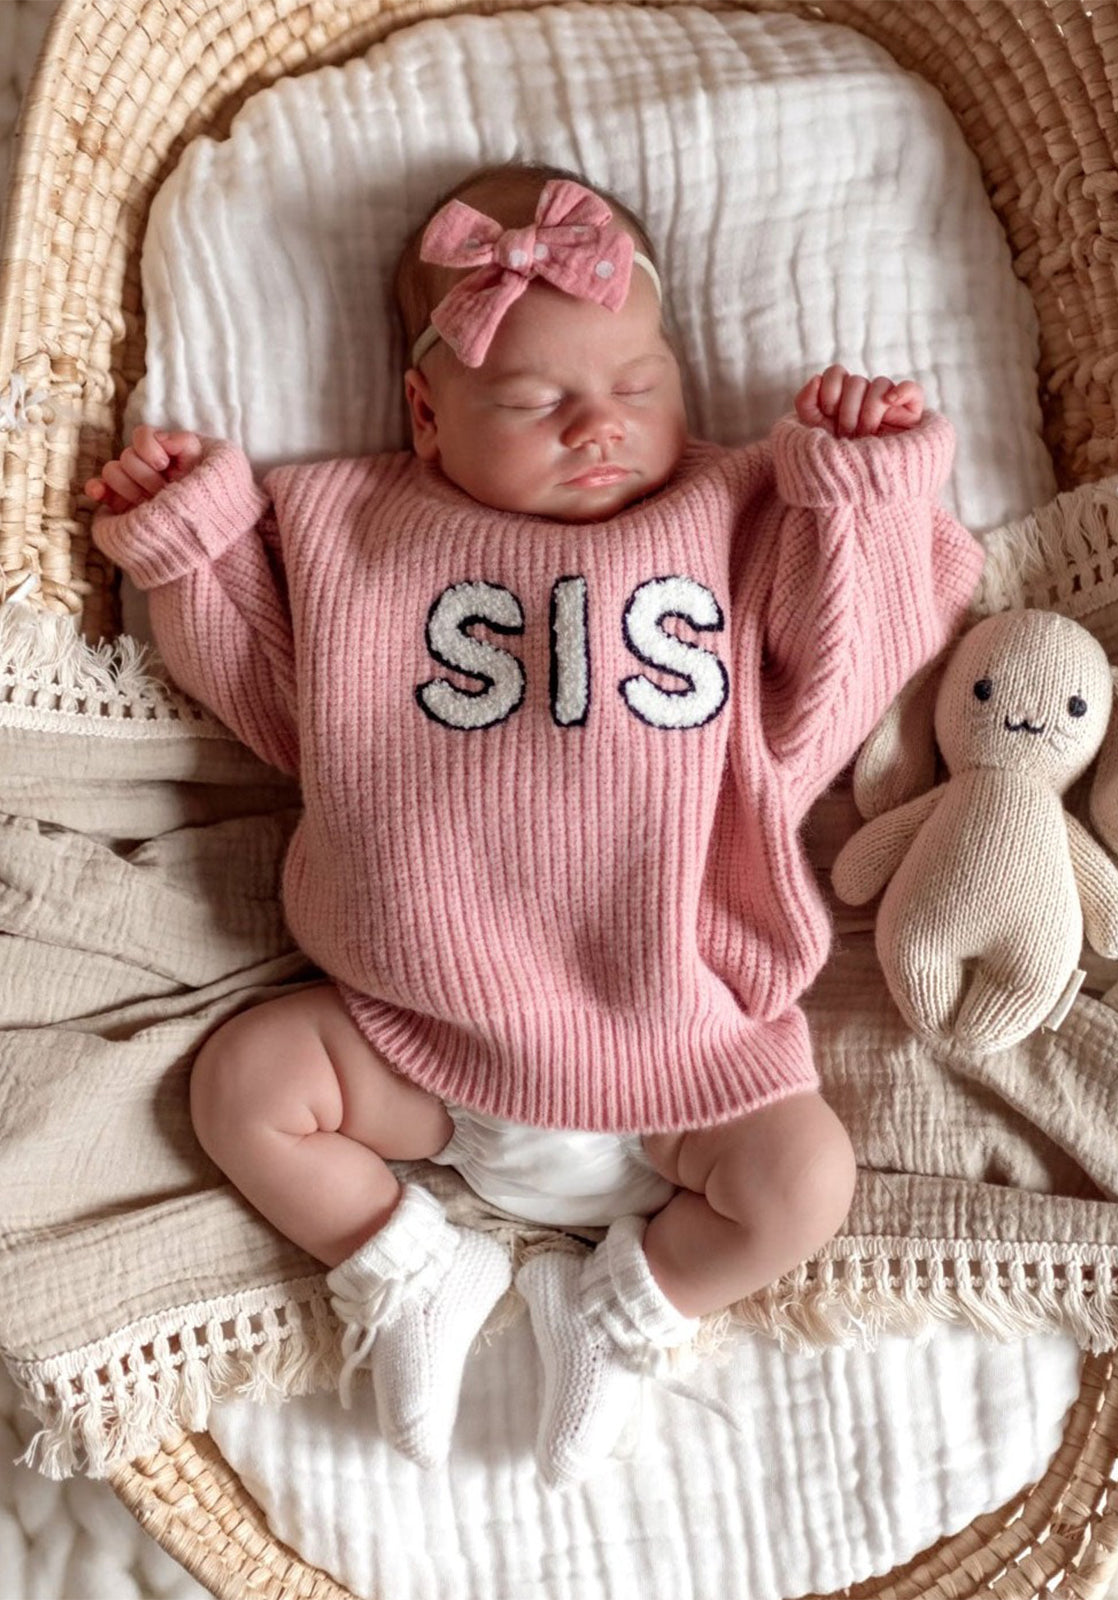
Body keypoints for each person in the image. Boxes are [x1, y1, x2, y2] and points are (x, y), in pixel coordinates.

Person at [88, 161, 985, 1487]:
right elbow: (268, 695)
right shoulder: (363, 535)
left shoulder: (726, 517)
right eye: (534, 400)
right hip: (421, 1032)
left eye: (636, 387)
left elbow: (852, 664)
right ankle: (403, 1266)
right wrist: (194, 540)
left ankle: (630, 1305)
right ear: (426, 413)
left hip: (686, 1044)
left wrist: (859, 485)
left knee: (803, 1183)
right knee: (245, 1086)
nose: (598, 428)